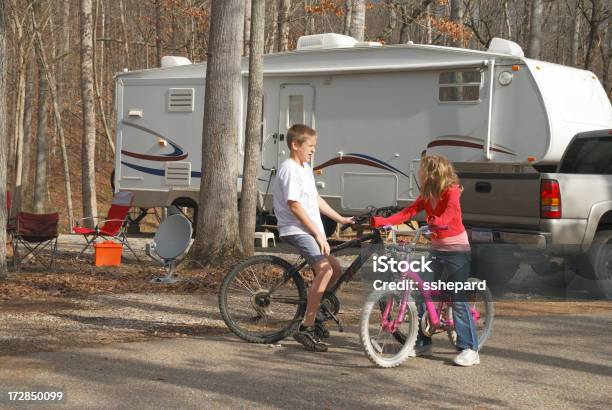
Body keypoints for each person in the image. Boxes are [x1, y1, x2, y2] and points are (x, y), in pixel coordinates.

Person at [370, 154, 480, 367]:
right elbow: (409, 212)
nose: (418, 173)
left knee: (457, 297)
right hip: (438, 248)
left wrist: (434, 222)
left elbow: (449, 214)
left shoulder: (452, 191)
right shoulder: (427, 193)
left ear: (432, 173)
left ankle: (470, 348)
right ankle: (423, 342)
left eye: (421, 170)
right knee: (423, 293)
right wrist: (382, 221)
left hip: (457, 249)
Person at [272, 124, 354, 352]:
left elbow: (315, 198)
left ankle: (315, 311)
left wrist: (341, 218)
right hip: (296, 229)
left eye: (314, 147)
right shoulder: (288, 169)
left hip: (309, 230)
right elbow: (295, 205)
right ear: (294, 145)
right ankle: (306, 328)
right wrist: (318, 234)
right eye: (310, 146)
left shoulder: (305, 167)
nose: (313, 151)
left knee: (336, 270)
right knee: (325, 271)